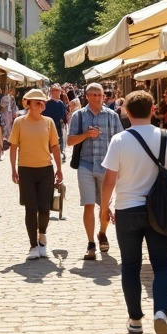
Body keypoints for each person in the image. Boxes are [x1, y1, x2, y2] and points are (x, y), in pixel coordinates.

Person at [98, 89, 167, 334]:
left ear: (126, 112)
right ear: (152, 110)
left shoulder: (119, 140)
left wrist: (105, 207)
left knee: (130, 266)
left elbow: (109, 181)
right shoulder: (166, 138)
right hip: (159, 212)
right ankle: (161, 312)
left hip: (127, 209)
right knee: (162, 265)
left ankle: (135, 319)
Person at [66, 83, 124, 260]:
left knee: (105, 206)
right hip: (86, 165)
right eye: (94, 95)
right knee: (88, 204)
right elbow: (69, 141)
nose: (98, 98)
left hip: (107, 167)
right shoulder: (79, 116)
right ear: (87, 97)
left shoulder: (112, 116)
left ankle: (102, 233)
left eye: (100, 95)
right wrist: (86, 135)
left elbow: (121, 140)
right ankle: (90, 242)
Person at [8, 89, 62, 260]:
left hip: (46, 170)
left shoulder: (49, 122)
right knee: (30, 209)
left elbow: (55, 146)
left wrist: (59, 169)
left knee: (44, 207)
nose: (41, 104)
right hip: (26, 170)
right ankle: (33, 245)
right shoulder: (19, 122)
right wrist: (13, 169)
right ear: (28, 104)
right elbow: (13, 146)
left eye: (42, 102)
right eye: (37, 102)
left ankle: (42, 237)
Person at [43, 83, 69, 162]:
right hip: (49, 126)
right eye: (58, 91)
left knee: (60, 139)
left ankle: (60, 153)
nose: (59, 92)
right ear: (52, 92)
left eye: (59, 91)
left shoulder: (60, 103)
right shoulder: (47, 103)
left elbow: (64, 114)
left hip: (59, 125)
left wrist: (66, 119)